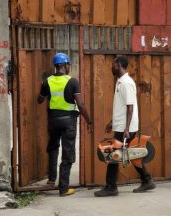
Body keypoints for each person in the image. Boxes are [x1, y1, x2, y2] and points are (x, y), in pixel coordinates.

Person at [94, 55, 156, 197]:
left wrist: (127, 129)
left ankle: (111, 187)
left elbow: (130, 107)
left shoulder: (126, 82)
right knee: (130, 154)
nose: (111, 67)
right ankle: (147, 180)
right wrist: (112, 122)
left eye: (113, 64)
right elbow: (121, 107)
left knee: (113, 155)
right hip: (121, 125)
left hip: (125, 128)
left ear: (119, 65)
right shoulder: (120, 81)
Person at [38, 52, 93, 197]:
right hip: (68, 122)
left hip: (53, 121)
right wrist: (89, 120)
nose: (69, 67)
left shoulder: (47, 81)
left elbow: (39, 100)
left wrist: (43, 88)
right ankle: (63, 189)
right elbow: (80, 104)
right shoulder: (72, 81)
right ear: (65, 65)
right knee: (67, 154)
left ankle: (51, 179)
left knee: (53, 148)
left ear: (56, 66)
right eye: (69, 64)